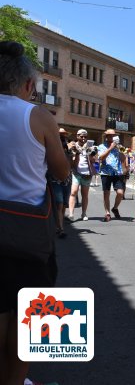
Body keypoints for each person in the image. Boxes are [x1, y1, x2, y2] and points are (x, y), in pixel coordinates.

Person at [0, 40, 70, 385]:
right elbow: (61, 172)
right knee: (27, 319)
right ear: (27, 85)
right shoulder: (37, 116)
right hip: (25, 234)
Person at [50, 128, 76, 237]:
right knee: (59, 203)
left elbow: (73, 165)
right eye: (60, 135)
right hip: (55, 178)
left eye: (64, 135)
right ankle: (60, 228)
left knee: (64, 204)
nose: (62, 137)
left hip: (67, 179)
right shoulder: (52, 146)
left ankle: (59, 225)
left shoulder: (68, 149)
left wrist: (76, 153)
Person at [97, 129, 126, 222]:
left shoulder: (118, 147)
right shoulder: (101, 146)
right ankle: (107, 213)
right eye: (109, 135)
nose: (111, 137)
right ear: (106, 136)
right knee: (106, 193)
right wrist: (110, 148)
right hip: (106, 172)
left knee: (120, 193)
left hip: (117, 172)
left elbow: (122, 159)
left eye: (113, 136)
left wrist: (121, 151)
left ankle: (115, 208)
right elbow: (101, 158)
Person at [68, 129, 96, 221]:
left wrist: (90, 154)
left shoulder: (90, 147)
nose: (83, 138)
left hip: (87, 173)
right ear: (77, 136)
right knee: (73, 192)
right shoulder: (73, 146)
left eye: (85, 136)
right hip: (76, 172)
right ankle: (71, 214)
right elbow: (70, 160)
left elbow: (93, 161)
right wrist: (75, 152)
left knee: (85, 194)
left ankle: (83, 213)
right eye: (81, 136)